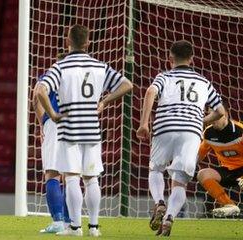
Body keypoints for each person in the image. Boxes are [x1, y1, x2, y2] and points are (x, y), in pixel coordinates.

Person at [35, 25, 133, 237]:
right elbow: (127, 85)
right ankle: (95, 228)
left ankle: (75, 227)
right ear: (88, 43)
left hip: (69, 127)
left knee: (71, 177)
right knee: (91, 179)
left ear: (67, 41)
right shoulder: (99, 66)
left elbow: (40, 90)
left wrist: (51, 113)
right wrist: (105, 101)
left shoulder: (60, 66)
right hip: (92, 128)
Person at [137, 40, 226, 236]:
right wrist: (199, 121)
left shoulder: (164, 76)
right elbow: (220, 111)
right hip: (191, 133)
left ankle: (159, 202)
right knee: (180, 182)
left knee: (155, 168)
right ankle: (169, 216)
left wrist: (144, 123)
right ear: (191, 58)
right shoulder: (204, 81)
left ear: (170, 58)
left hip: (165, 127)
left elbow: (151, 91)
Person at [32, 52, 71, 233]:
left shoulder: (49, 75)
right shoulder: (76, 76)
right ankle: (72, 222)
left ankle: (58, 222)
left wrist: (43, 122)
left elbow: (35, 98)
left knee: (52, 174)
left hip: (55, 125)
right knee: (72, 176)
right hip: (78, 125)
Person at [197, 108, 242, 217]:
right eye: (209, 114)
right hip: (228, 171)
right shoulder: (208, 133)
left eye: (215, 114)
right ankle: (230, 205)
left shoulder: (240, 131)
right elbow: (198, 155)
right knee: (203, 174)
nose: (212, 118)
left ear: (225, 114)